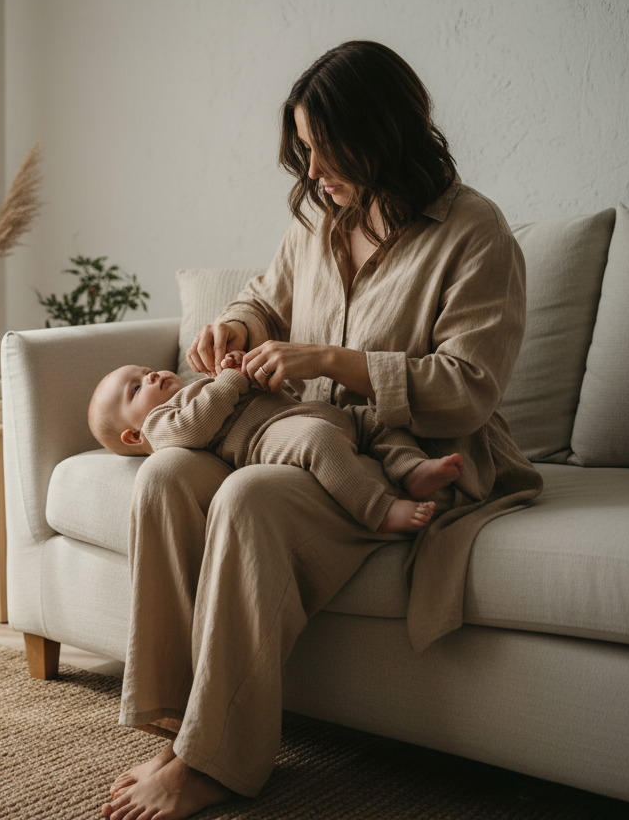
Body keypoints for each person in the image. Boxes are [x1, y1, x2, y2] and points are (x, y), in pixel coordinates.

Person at [101, 40, 543, 820]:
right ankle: (176, 725)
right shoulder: (321, 220)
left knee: (248, 498)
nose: (312, 170)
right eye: (303, 150)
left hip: (397, 455)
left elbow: (469, 392)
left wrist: (335, 360)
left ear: (385, 131)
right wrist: (231, 328)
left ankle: (216, 761)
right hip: (301, 434)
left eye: (325, 148)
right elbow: (264, 300)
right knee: (165, 475)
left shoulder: (476, 234)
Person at [88, 358, 466, 533]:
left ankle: (410, 468)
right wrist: (230, 381)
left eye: (143, 370)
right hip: (268, 438)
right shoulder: (160, 425)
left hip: (311, 411)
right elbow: (194, 429)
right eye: (137, 388)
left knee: (380, 417)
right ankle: (379, 510)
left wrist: (249, 375)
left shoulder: (199, 386)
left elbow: (268, 394)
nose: (150, 374)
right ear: (134, 436)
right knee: (317, 441)